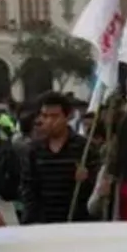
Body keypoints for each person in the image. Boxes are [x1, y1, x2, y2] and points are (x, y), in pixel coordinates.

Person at [19, 91, 100, 224]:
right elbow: (28, 188)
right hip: (43, 225)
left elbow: (96, 193)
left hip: (76, 224)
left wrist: (87, 180)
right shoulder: (34, 150)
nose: (50, 121)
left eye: (55, 116)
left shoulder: (85, 148)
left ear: (67, 116)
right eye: (45, 116)